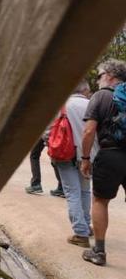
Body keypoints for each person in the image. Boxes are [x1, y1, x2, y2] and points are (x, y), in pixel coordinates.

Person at [80, 60, 126, 265]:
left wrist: (85, 158)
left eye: (99, 76)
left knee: (100, 200)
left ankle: (99, 252)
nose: (98, 80)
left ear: (109, 76)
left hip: (111, 154)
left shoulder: (101, 95)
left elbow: (89, 131)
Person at [54, 80, 95, 247]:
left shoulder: (63, 106)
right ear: (85, 90)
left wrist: (53, 146)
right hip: (88, 156)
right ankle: (85, 225)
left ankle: (80, 232)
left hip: (65, 155)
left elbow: (49, 131)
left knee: (72, 193)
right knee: (85, 191)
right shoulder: (92, 105)